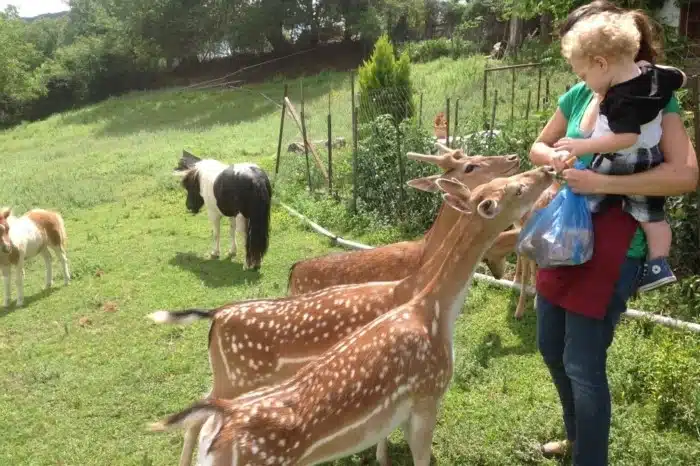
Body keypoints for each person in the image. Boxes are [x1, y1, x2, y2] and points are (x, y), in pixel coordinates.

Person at [527, 2, 698, 465]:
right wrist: (556, 158)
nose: (578, 69)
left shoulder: (653, 98)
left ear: (603, 52)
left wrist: (602, 182)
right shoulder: (579, 93)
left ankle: (590, 458)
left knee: (582, 363)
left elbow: (684, 176)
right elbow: (538, 145)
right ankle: (580, 438)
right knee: (550, 347)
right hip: (567, 234)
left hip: (617, 242)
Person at [554, 10, 687, 292]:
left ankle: (578, 229)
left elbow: (626, 137)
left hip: (627, 162)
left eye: (583, 74)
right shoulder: (649, 75)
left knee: (592, 193)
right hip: (649, 159)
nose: (583, 81)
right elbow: (677, 76)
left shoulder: (619, 99)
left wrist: (583, 146)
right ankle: (659, 263)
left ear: (601, 62)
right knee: (652, 215)